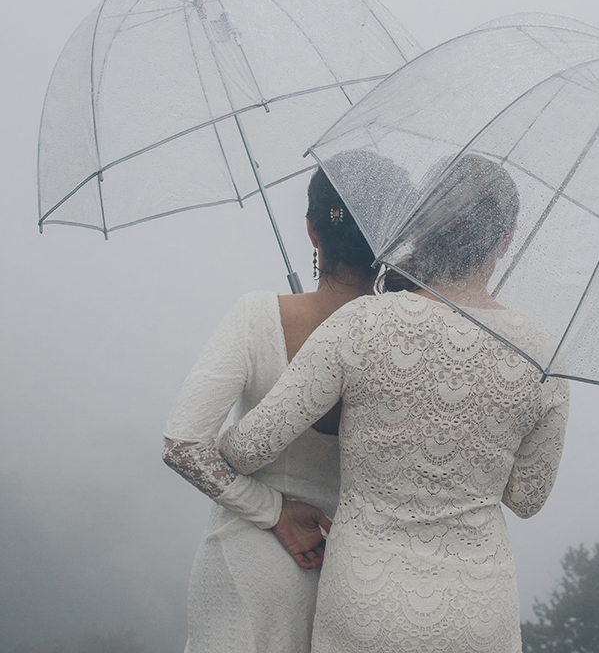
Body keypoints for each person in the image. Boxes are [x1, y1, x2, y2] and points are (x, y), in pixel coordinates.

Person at [219, 154, 570, 653]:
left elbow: (246, 451)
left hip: (366, 604)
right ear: (507, 240)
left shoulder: (361, 322)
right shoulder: (541, 352)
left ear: (418, 222)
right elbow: (527, 499)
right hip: (479, 614)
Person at [162, 156, 399, 653]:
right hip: (356, 576)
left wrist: (274, 511)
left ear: (312, 230)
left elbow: (183, 446)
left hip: (247, 563)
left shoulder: (259, 315)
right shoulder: (405, 340)